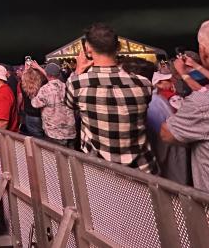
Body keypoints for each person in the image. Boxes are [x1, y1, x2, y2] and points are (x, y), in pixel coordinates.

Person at [66, 23, 156, 173]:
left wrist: (78, 70)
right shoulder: (143, 84)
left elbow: (70, 105)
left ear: (88, 48)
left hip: (98, 169)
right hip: (141, 171)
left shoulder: (77, 83)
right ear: (119, 47)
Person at [162, 18, 209, 196]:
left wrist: (184, 74)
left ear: (203, 51)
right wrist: (196, 67)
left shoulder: (203, 104)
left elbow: (168, 133)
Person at [30, 62, 76, 147]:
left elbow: (35, 104)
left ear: (47, 74)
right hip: (70, 130)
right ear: (59, 74)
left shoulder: (45, 89)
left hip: (54, 132)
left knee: (57, 158)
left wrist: (32, 96)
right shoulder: (66, 86)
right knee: (71, 158)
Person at [19, 67, 46, 138]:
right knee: (44, 139)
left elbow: (23, 78)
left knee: (35, 140)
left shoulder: (23, 86)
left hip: (29, 116)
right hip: (40, 115)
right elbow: (48, 77)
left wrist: (26, 69)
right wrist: (39, 68)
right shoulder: (42, 86)